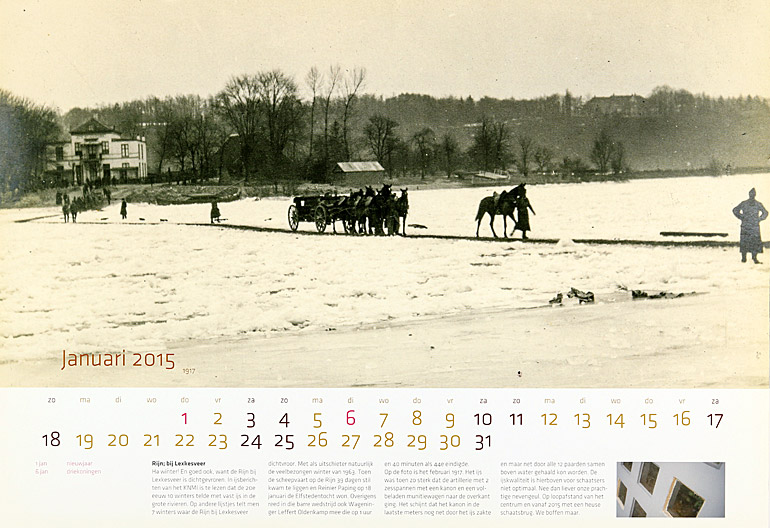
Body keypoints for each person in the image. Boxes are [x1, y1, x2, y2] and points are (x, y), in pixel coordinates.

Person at [733, 188, 768, 263]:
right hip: (746, 226)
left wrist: (759, 219)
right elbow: (735, 210)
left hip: (754, 226)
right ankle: (743, 258)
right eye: (751, 194)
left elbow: (765, 212)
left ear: (755, 195)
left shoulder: (758, 204)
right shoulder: (744, 203)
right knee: (744, 241)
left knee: (755, 242)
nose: (752, 196)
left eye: (753, 194)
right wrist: (741, 217)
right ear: (749, 194)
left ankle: (754, 258)